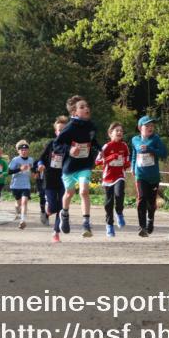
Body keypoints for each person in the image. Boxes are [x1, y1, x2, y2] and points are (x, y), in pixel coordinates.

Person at [54, 96, 99, 238]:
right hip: (69, 166)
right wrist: (69, 150)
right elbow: (57, 144)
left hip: (85, 164)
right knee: (69, 193)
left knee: (84, 191)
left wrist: (101, 150)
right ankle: (64, 214)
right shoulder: (70, 127)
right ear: (74, 112)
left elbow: (93, 141)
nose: (86, 108)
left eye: (87, 106)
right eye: (82, 107)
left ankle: (86, 223)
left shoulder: (91, 126)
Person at [130, 115, 168, 236]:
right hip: (140, 175)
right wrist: (132, 167)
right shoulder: (135, 140)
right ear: (140, 128)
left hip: (153, 176)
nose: (150, 128)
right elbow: (134, 155)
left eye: (152, 125)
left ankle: (150, 220)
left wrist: (150, 149)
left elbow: (164, 153)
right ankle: (142, 227)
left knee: (151, 202)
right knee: (141, 199)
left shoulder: (156, 139)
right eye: (147, 126)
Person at [38, 116, 69, 242]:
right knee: (53, 207)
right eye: (59, 130)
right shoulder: (51, 144)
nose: (61, 132)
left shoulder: (70, 146)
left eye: (64, 129)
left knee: (61, 208)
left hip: (64, 179)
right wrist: (40, 164)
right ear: (56, 132)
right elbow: (41, 158)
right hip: (50, 178)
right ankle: (47, 212)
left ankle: (56, 233)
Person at [96, 122, 130, 237]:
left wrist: (126, 163)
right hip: (108, 178)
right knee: (108, 203)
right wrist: (111, 157)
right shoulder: (106, 147)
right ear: (110, 134)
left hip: (119, 175)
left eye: (121, 131)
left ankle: (119, 212)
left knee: (119, 194)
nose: (120, 132)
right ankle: (109, 225)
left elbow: (127, 158)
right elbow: (97, 162)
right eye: (117, 131)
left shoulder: (124, 146)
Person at [9, 140, 35, 230]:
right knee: (18, 204)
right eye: (22, 150)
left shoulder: (31, 160)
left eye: (26, 150)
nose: (24, 151)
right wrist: (20, 169)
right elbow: (9, 171)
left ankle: (22, 221)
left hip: (26, 185)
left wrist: (34, 173)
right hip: (15, 185)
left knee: (24, 202)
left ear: (28, 151)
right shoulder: (15, 160)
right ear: (18, 151)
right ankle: (17, 209)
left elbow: (33, 170)